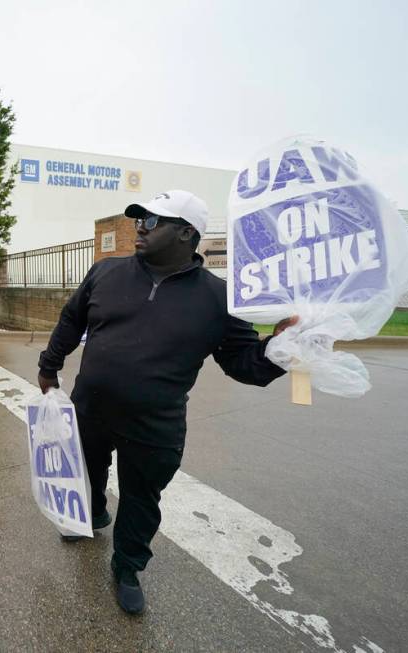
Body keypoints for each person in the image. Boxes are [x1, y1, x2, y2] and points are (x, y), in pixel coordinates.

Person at [37, 190, 298, 615]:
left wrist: (283, 348)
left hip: (154, 426)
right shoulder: (106, 272)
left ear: (185, 233)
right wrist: (49, 367)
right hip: (91, 409)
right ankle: (94, 512)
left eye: (152, 221)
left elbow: (243, 364)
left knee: (141, 497)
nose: (140, 227)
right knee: (86, 470)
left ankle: (126, 567)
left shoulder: (218, 299)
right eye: (139, 219)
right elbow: (72, 318)